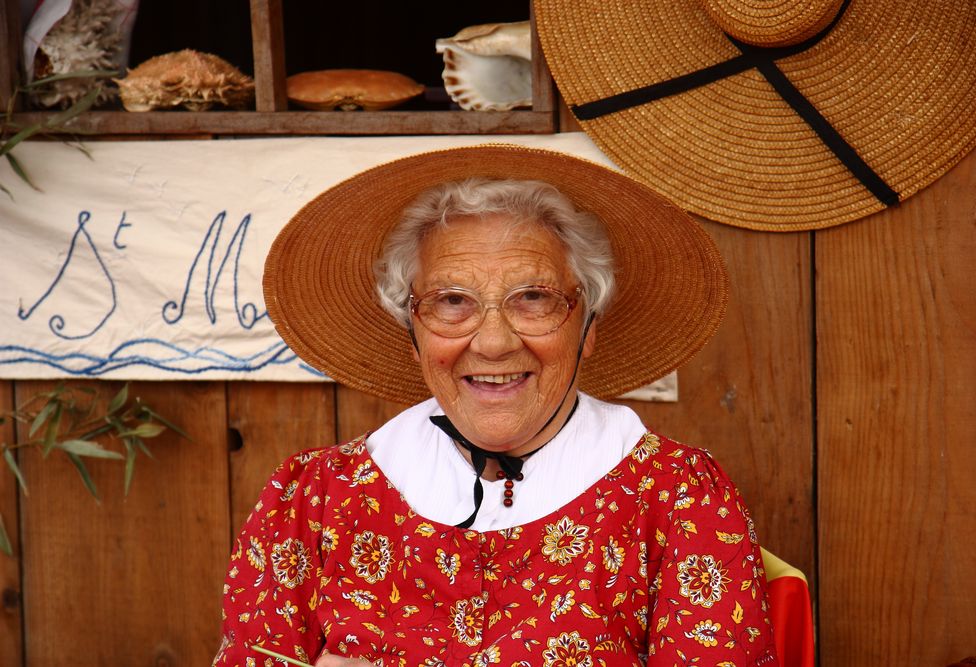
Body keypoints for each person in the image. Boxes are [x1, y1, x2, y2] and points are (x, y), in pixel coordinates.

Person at [213, 145, 778, 666]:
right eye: (451, 301)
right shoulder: (313, 497)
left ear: (588, 326)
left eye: (533, 298)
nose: (493, 342)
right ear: (412, 332)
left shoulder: (678, 496)